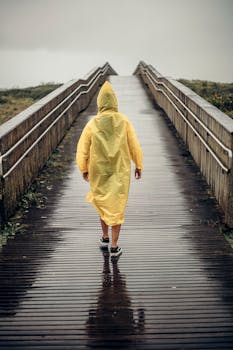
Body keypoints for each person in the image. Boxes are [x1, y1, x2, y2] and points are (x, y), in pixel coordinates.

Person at [76, 81, 143, 258]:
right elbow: (134, 144)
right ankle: (114, 246)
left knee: (103, 201)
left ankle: (105, 237)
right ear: (114, 102)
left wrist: (83, 168)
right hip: (120, 169)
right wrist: (138, 164)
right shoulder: (124, 121)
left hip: (98, 170)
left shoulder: (92, 124)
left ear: (99, 103)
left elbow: (82, 148)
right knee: (117, 203)